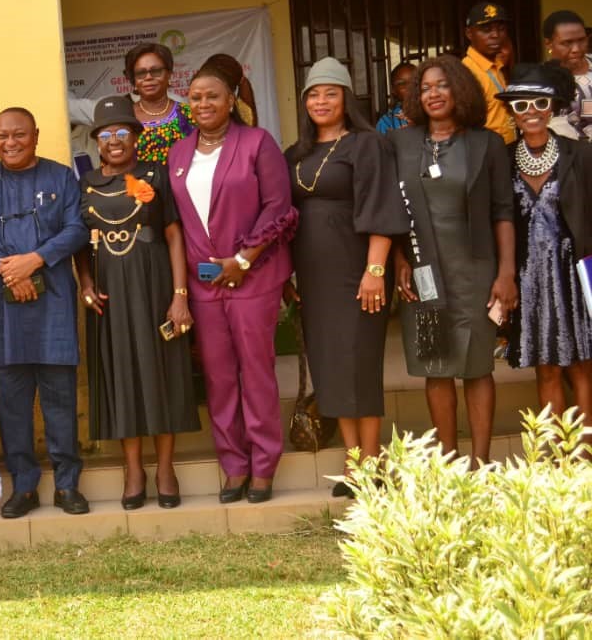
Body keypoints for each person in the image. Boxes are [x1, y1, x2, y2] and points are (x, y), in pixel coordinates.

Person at [167, 54, 297, 504]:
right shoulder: (178, 153)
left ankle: (264, 465)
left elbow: (279, 207)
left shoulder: (257, 143)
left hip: (251, 277)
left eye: (213, 96)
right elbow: (180, 224)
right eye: (195, 97)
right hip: (204, 284)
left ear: (231, 100)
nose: (203, 104)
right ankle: (234, 466)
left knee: (255, 371)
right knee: (219, 376)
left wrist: (243, 259)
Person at [285, 58, 408, 497]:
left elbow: (383, 210)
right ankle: (353, 465)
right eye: (313, 94)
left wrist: (376, 271)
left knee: (359, 366)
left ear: (346, 99)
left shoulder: (367, 145)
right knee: (331, 369)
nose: (321, 101)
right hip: (315, 278)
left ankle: (372, 466)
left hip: (358, 271)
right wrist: (287, 275)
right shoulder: (295, 154)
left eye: (330, 93)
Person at [0, 107, 90, 518]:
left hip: (52, 301)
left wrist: (35, 259)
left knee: (59, 397)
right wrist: (7, 266)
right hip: (3, 305)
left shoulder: (60, 177)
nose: (9, 143)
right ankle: (24, 486)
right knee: (12, 402)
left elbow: (77, 229)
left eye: (18, 134)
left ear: (35, 135)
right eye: (1, 135)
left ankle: (67, 484)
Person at [391, 56, 517, 466]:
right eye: (425, 87)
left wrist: (506, 273)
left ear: (459, 89)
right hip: (423, 268)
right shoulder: (401, 143)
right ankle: (449, 460)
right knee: (437, 365)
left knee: (478, 365)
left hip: (476, 271)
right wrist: (398, 258)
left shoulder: (487, 144)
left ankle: (480, 462)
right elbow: (387, 209)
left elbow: (503, 211)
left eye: (441, 85)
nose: (432, 93)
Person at [76, 96, 199, 509]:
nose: (114, 140)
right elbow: (79, 244)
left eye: (122, 132)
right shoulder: (86, 182)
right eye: (106, 134)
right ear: (96, 140)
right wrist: (86, 283)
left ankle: (165, 468)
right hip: (109, 293)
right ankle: (133, 470)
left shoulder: (156, 175)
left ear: (136, 137)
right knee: (123, 375)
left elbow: (174, 236)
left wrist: (180, 296)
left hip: (154, 285)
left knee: (161, 373)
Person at [497, 63, 592, 420]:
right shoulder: (503, 160)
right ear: (512, 113)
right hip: (528, 278)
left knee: (582, 365)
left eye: (539, 102)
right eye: (521, 105)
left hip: (574, 274)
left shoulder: (581, 154)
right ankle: (557, 462)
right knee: (546, 366)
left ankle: (585, 457)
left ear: (552, 106)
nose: (531, 112)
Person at [462, 2, 516, 144]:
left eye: (501, 29)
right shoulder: (466, 73)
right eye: (486, 30)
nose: (495, 35)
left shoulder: (497, 65)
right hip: (487, 154)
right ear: (469, 33)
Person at [543, 10, 592, 141]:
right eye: (567, 43)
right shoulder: (541, 81)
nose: (576, 49)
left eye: (581, 40)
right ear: (548, 44)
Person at [376, 62, 415, 135]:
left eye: (414, 82)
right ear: (394, 90)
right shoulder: (386, 122)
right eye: (402, 84)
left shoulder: (432, 114)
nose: (409, 87)